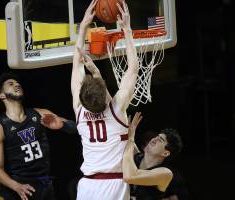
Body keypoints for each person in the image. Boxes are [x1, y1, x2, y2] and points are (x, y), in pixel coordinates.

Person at [71, 0, 139, 199]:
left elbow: (76, 64)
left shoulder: (79, 110)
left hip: (87, 187)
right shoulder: (116, 110)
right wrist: (126, 29)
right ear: (105, 92)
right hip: (113, 185)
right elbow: (133, 69)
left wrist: (83, 26)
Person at [0, 72, 77, 200]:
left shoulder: (40, 114)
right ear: (2, 95)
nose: (17, 84)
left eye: (17, 83)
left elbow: (76, 128)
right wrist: (17, 186)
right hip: (20, 187)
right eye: (10, 84)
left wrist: (62, 125)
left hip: (45, 185)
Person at [123, 112, 183, 200]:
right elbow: (129, 141)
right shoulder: (136, 156)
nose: (154, 139)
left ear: (165, 153)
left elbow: (129, 177)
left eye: (160, 140)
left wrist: (131, 137)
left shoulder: (165, 173)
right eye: (156, 136)